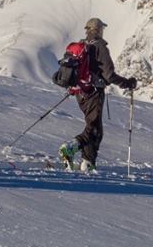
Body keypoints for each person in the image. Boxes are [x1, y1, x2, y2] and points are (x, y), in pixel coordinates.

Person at [59, 17, 137, 173]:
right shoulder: (99, 46)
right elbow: (109, 75)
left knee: (95, 129)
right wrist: (127, 83)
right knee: (94, 130)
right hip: (93, 93)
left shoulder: (83, 46)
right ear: (98, 30)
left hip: (80, 92)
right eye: (102, 29)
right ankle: (70, 148)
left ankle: (88, 163)